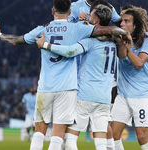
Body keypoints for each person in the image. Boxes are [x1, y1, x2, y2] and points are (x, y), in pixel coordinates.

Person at [0, 0, 131, 150]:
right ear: (70, 12)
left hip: (46, 86)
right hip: (68, 88)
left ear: (52, 11)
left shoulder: (42, 29)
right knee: (57, 136)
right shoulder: (78, 28)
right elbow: (106, 30)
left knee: (39, 133)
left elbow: (16, 40)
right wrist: (123, 32)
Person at [35, 2, 129, 150]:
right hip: (104, 97)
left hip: (85, 95)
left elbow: (70, 51)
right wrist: (123, 37)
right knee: (100, 141)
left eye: (91, 14)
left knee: (70, 139)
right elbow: (123, 56)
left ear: (96, 21)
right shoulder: (113, 42)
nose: (88, 15)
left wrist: (46, 45)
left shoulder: (90, 41)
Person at [114, 4, 148, 150]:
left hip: (142, 95)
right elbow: (122, 56)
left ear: (135, 25)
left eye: (126, 20)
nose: (121, 23)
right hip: (123, 94)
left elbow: (138, 63)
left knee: (145, 136)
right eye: (121, 20)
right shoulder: (119, 37)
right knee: (113, 134)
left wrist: (127, 46)